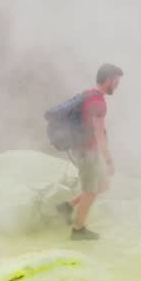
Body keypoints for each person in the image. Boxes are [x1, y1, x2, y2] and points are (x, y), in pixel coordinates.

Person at [60, 64, 122, 240]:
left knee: (102, 185)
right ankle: (78, 230)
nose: (117, 86)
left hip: (84, 149)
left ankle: (67, 206)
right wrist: (109, 160)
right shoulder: (98, 103)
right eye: (117, 81)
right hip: (88, 151)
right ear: (109, 80)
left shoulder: (89, 95)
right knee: (91, 190)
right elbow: (99, 134)